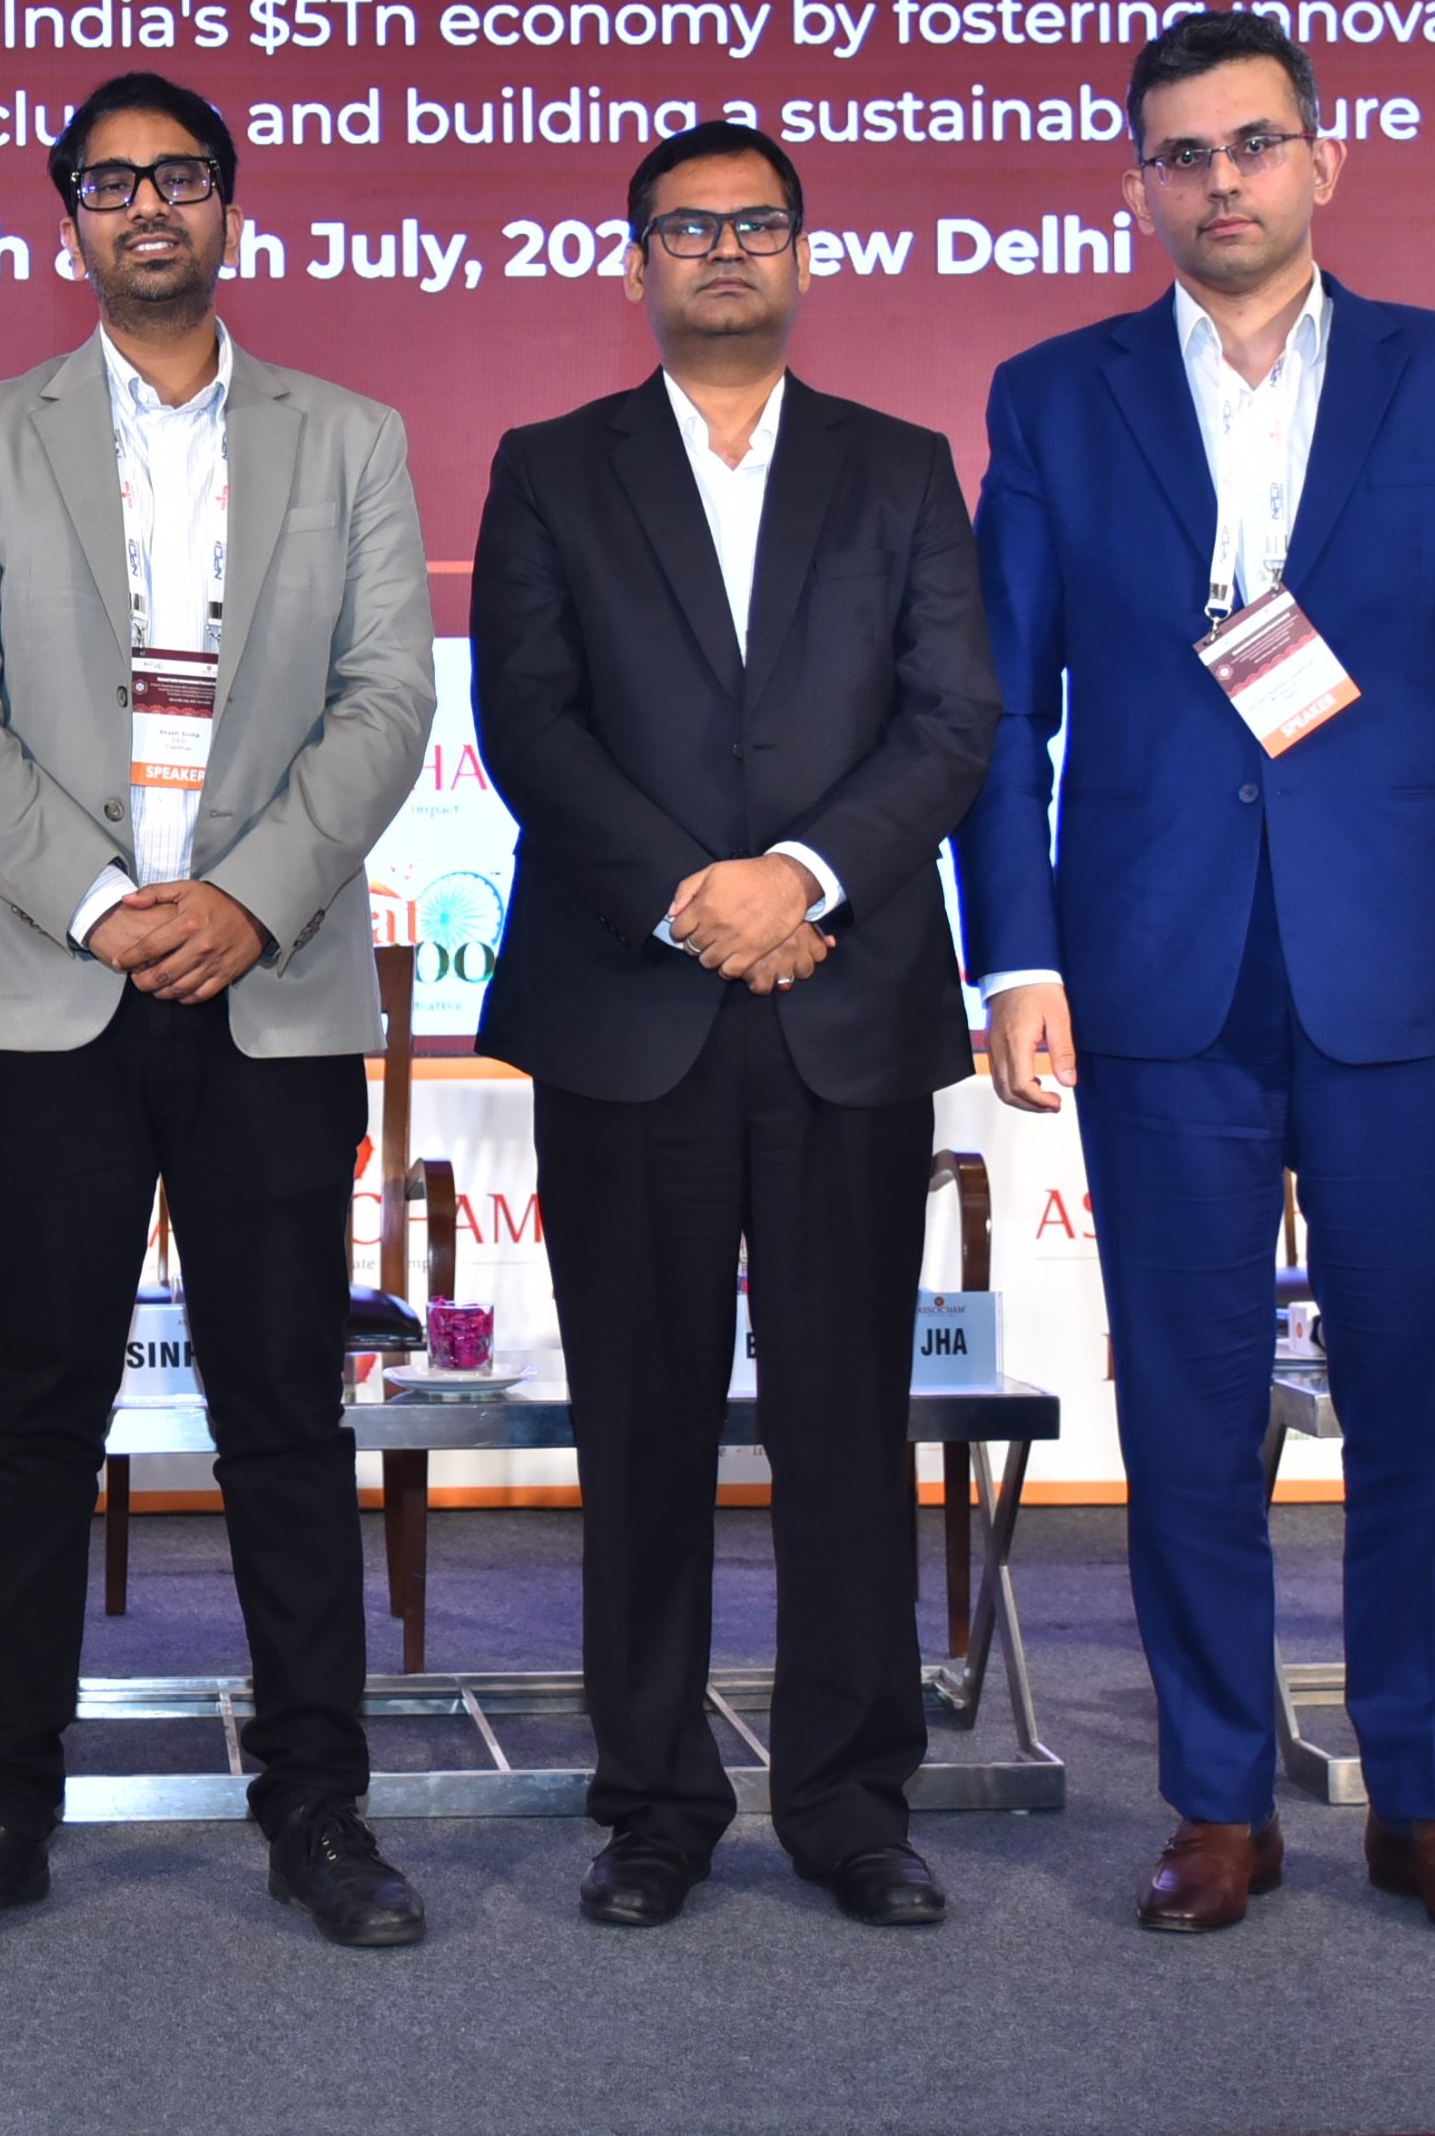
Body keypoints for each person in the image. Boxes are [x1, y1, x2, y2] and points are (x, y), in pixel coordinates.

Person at [954, 13, 1435, 1939]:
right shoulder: (1055, 397)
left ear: (1325, 161)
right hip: (1158, 974)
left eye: (1252, 143)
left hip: (1409, 971)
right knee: (1188, 1414)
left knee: (1418, 1409)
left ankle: (1425, 1803)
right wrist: (1019, 953)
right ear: (1138, 186)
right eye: (1183, 153)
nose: (1219, 180)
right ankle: (1219, 1800)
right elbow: (1003, 712)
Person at [0, 70, 433, 1949]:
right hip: (55, 986)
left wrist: (245, 899)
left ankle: (320, 1808)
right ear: (70, 223)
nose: (147, 208)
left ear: (229, 209)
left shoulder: (348, 436)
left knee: (284, 1408)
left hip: (272, 987)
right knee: (38, 1405)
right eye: (109, 184)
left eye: (179, 177)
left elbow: (386, 702)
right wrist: (109, 903)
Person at [469, 121, 997, 1932]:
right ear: (638, 264)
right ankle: (655, 1803)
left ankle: (852, 1805)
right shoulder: (552, 467)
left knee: (848, 1425)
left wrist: (801, 879)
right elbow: (530, 723)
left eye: (755, 223)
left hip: (844, 1001)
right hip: (633, 1002)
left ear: (803, 254)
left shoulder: (902, 466)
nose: (722, 251)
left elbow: (952, 717)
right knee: (642, 1431)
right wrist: (696, 897)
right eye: (685, 227)